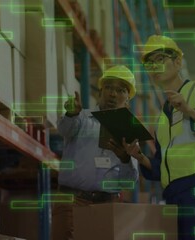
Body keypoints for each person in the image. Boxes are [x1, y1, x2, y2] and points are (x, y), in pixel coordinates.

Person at [122, 35, 195, 240]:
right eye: (150, 64)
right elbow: (161, 166)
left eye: (160, 59)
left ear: (178, 62)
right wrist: (140, 157)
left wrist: (190, 111)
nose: (155, 67)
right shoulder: (162, 118)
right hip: (174, 192)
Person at [53, 65, 139, 240]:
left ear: (128, 99)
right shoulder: (81, 117)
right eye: (108, 88)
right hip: (72, 201)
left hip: (107, 205)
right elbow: (64, 130)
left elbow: (129, 181)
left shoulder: (129, 132)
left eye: (121, 90)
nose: (113, 94)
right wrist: (70, 114)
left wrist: (125, 159)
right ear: (100, 91)